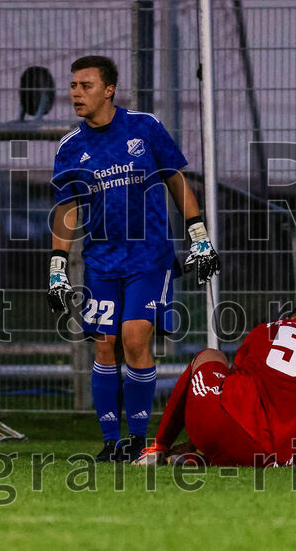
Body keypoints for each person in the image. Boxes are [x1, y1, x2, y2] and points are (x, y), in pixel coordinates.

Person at [47, 55, 221, 462]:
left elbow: (176, 179)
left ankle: (141, 439)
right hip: (101, 261)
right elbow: (67, 209)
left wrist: (199, 237)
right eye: (73, 86)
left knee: (135, 338)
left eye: (85, 85)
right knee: (105, 345)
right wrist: (57, 267)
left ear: (109, 89)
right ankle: (111, 443)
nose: (76, 93)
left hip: (149, 258)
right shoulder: (71, 147)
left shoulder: (144, 127)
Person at [134, 304, 296, 468]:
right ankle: (205, 458)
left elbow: (231, 384)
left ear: (289, 319)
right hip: (261, 451)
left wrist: (197, 439)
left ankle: (160, 446)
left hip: (216, 419)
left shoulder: (265, 328)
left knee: (209, 354)